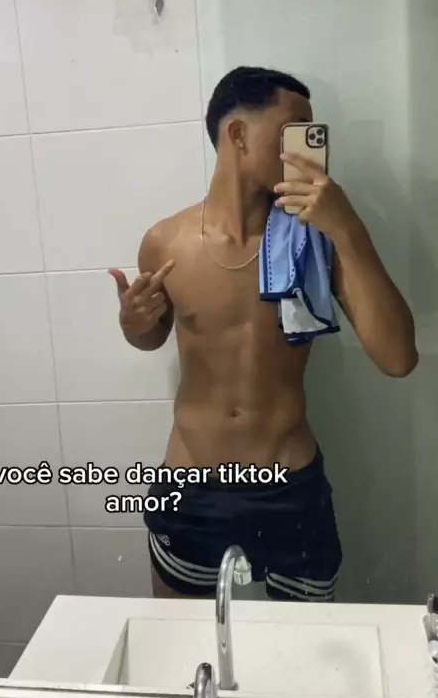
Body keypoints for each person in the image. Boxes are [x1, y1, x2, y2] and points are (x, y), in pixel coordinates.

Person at [108, 66, 418, 601]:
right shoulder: (166, 242)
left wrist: (347, 225)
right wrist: (132, 325)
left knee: (305, 652)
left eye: (312, 132)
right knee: (181, 645)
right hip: (191, 485)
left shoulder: (318, 237)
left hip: (288, 485)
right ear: (238, 134)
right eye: (294, 128)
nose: (308, 144)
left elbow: (399, 358)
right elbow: (153, 336)